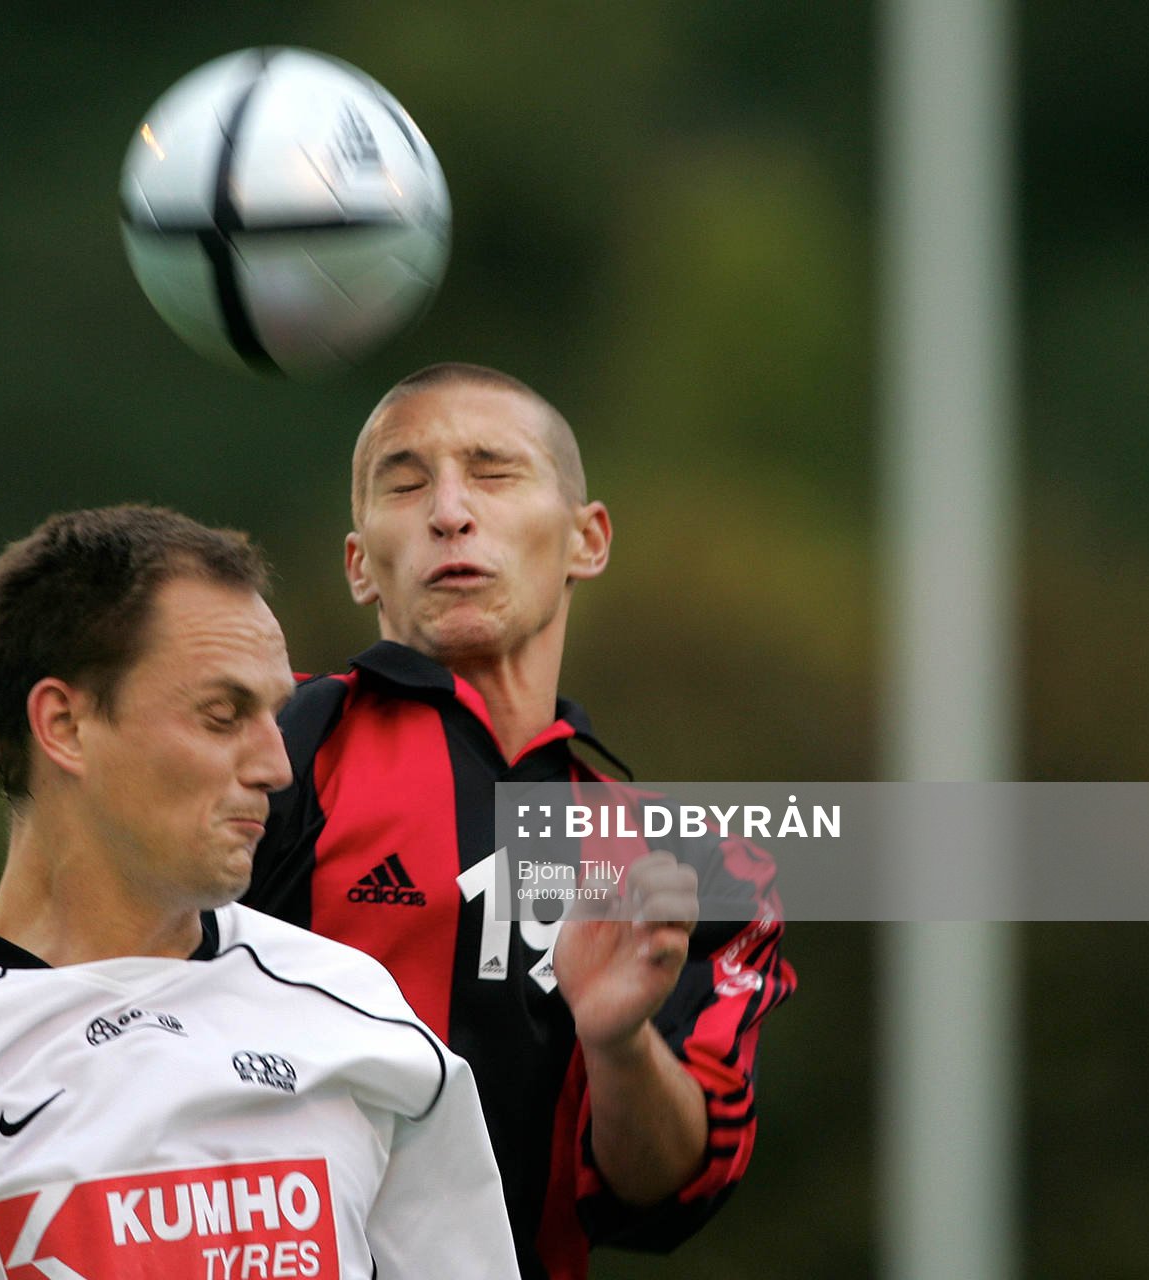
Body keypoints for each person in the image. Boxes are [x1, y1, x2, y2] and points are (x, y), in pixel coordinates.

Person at [0, 505, 521, 1280]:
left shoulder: (357, 1010)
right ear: (63, 726)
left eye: (274, 715)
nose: (276, 767)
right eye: (222, 714)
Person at [243, 364, 796, 1280]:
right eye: (406, 481)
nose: (449, 511)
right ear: (357, 563)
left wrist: (616, 1043)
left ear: (588, 539)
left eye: (492, 473)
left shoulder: (694, 862)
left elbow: (662, 1193)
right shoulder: (270, 755)